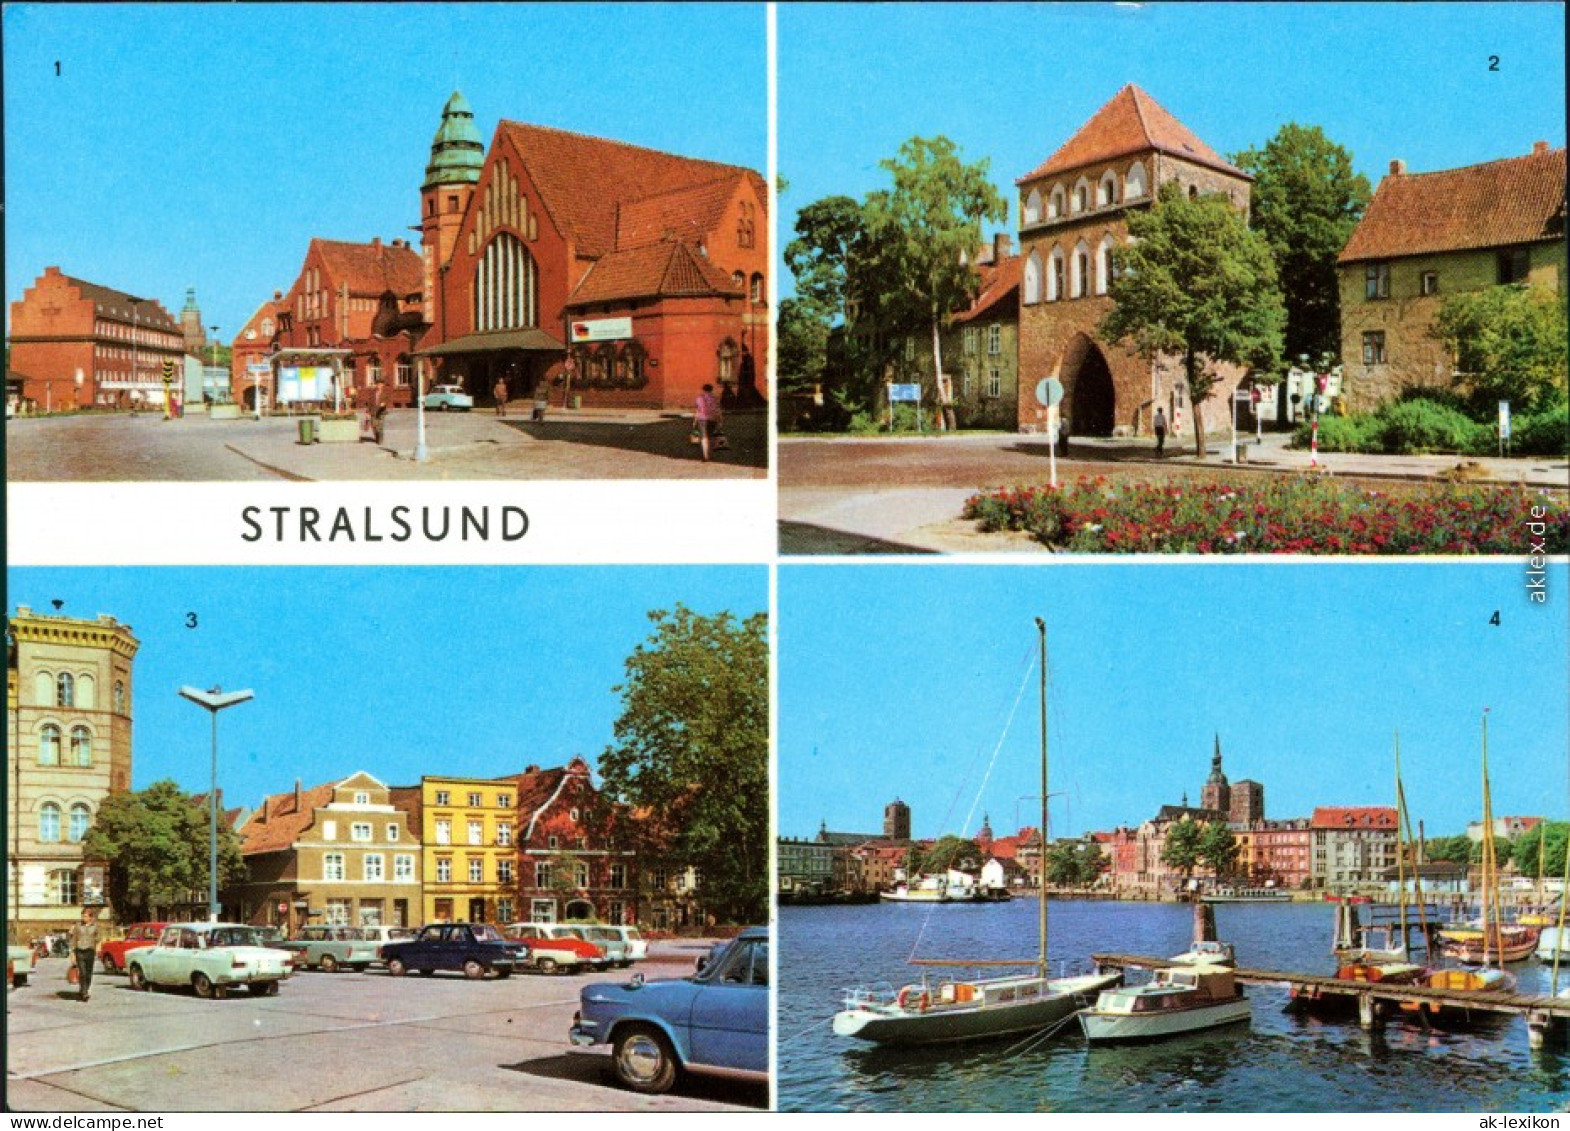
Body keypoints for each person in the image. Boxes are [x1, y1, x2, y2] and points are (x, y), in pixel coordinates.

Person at [67, 908, 100, 1002]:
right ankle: (84, 992)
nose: (83, 918)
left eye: (85, 916)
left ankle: (84, 989)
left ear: (90, 917)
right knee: (82, 972)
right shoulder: (77, 926)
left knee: (89, 973)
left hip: (90, 951)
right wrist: (72, 953)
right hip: (80, 951)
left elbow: (98, 939)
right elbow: (73, 939)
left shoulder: (95, 927)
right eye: (82, 916)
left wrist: (97, 948)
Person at [695, 383, 722, 462]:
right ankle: (709, 453)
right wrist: (720, 420)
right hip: (712, 419)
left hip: (701, 419)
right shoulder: (715, 398)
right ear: (712, 389)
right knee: (710, 436)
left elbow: (698, 410)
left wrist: (695, 420)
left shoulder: (699, 398)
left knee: (703, 437)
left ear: (703, 389)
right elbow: (718, 410)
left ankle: (705, 455)